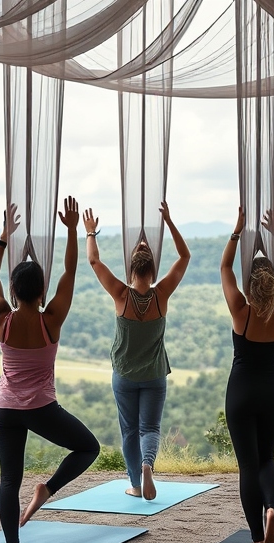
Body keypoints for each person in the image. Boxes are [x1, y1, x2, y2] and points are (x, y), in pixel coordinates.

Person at [0, 197, 100, 543]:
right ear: (41, 292)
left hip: (4, 410)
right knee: (88, 448)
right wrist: (70, 230)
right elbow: (70, 272)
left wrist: (4, 238)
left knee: (9, 481)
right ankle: (48, 489)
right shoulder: (50, 320)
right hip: (40, 410)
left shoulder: (2, 317)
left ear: (14, 292)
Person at [83, 201, 189, 500]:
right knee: (150, 428)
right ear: (153, 269)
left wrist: (91, 232)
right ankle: (147, 465)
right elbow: (184, 256)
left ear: (131, 268)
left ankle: (135, 483)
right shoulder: (162, 295)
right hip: (154, 375)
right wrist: (168, 221)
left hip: (124, 375)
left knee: (129, 431)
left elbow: (94, 262)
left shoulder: (120, 294)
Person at [220, 207, 274, 543]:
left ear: (249, 284)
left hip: (241, 391)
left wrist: (237, 232)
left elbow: (224, 268)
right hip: (272, 391)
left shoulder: (241, 310)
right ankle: (272, 508)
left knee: (247, 466)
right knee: (267, 459)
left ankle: (257, 541)